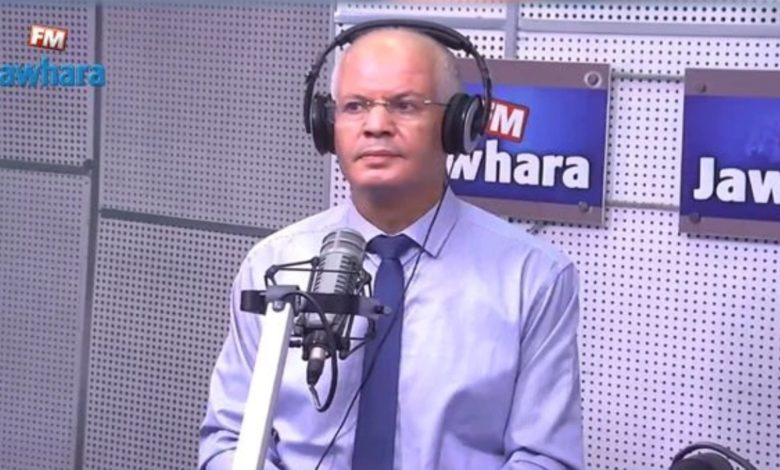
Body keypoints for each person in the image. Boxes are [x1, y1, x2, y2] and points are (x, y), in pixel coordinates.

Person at [199, 24, 584, 470]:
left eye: (405, 105)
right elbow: (229, 437)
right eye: (355, 106)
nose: (376, 126)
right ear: (327, 126)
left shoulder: (532, 278)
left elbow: (545, 459)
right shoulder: (274, 264)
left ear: (458, 125)